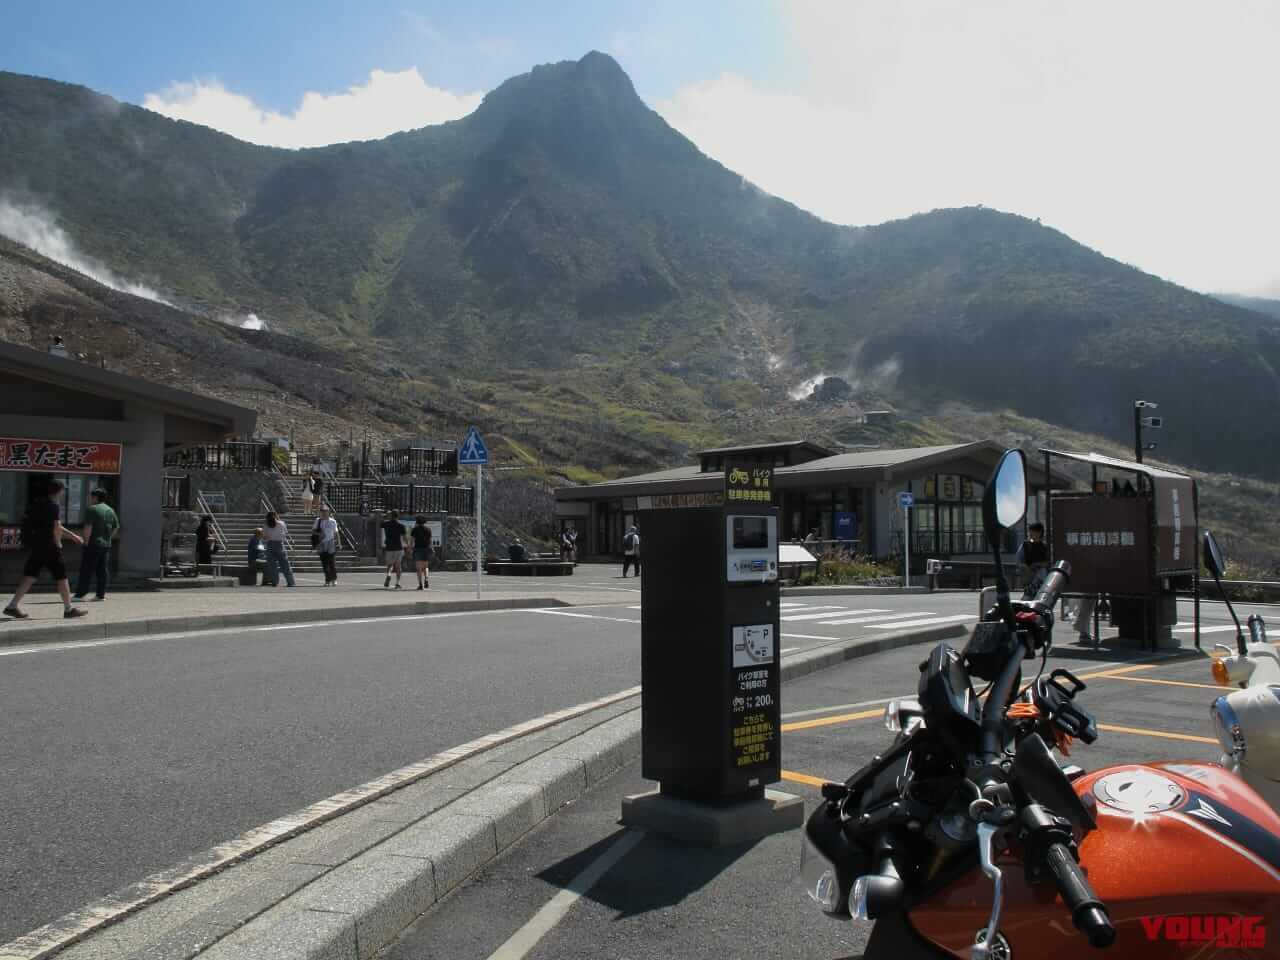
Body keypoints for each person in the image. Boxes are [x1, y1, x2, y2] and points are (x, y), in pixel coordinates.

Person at [4, 478, 87, 620]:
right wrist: (59, 542)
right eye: (62, 491)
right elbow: (56, 527)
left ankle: (12, 606)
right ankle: (68, 609)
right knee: (61, 576)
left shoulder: (38, 503)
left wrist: (73, 536)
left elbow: (54, 525)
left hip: (38, 545)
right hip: (49, 547)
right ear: (59, 491)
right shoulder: (53, 506)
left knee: (30, 575)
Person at [74, 488, 119, 601]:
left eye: (91, 497)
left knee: (86, 569)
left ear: (95, 497)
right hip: (105, 544)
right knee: (102, 570)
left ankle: (80, 594)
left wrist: (85, 542)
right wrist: (108, 538)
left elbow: (88, 527)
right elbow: (116, 527)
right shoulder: (110, 510)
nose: (90, 499)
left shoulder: (92, 509)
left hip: (93, 543)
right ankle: (100, 595)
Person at [1015, 522, 1051, 597]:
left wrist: (1038, 564)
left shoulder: (1044, 546)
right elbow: (1018, 560)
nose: (1030, 533)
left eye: (1032, 531)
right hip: (1028, 576)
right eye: (1030, 531)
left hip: (1040, 576)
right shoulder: (1025, 545)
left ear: (1039, 532)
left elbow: (1048, 562)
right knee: (1029, 597)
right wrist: (1025, 567)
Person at [261, 510, 296, 587]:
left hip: (270, 544)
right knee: (285, 565)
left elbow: (264, 536)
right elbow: (285, 533)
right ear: (276, 516)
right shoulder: (281, 523)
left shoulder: (266, 525)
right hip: (279, 544)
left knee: (272, 566)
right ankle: (291, 582)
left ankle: (275, 581)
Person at [313, 505, 339, 587]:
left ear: (329, 512)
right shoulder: (318, 521)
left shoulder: (333, 521)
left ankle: (334, 579)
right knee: (324, 563)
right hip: (321, 543)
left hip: (330, 542)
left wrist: (339, 542)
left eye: (325, 511)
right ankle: (327, 580)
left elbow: (336, 533)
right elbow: (313, 532)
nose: (324, 513)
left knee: (332, 562)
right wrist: (320, 534)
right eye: (322, 511)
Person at [382, 509, 407, 589]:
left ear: (391, 516)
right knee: (398, 566)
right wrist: (408, 546)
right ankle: (398, 583)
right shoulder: (401, 525)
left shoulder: (386, 524)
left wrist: (386, 516)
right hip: (398, 547)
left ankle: (389, 574)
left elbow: (380, 523)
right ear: (398, 515)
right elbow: (404, 537)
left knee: (390, 565)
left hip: (389, 547)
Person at [410, 516, 433, 590]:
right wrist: (431, 548)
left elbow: (412, 540)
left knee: (419, 569)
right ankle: (426, 578)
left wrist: (410, 549)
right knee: (426, 566)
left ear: (417, 522)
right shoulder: (428, 530)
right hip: (426, 548)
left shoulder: (414, 530)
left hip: (418, 549)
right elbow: (430, 540)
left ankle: (420, 585)